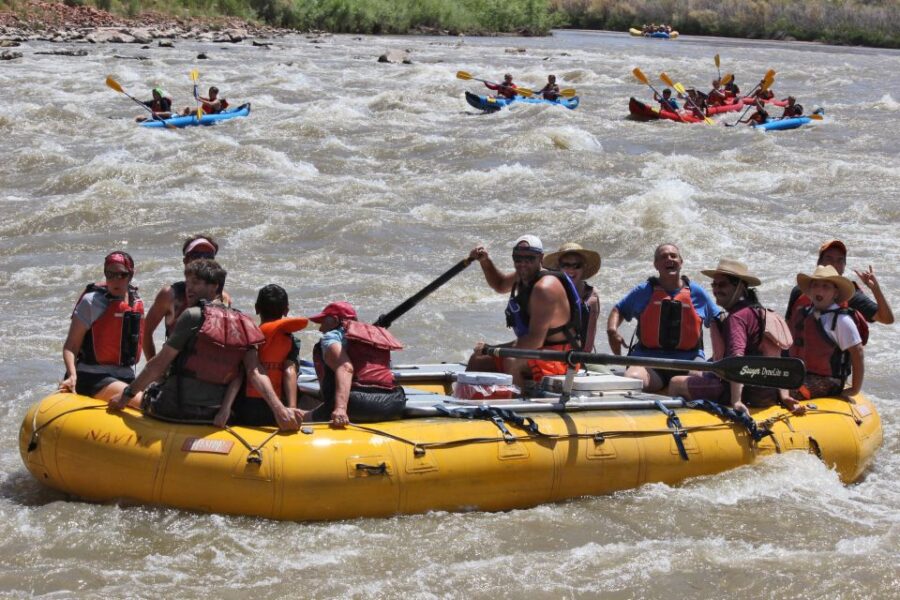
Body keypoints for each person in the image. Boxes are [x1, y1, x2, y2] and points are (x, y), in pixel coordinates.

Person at [108, 259, 304, 431]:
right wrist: (280, 410)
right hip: (213, 413)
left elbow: (159, 363)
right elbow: (255, 372)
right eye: (187, 282)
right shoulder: (245, 322)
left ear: (214, 287)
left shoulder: (192, 316)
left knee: (126, 393)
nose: (189, 288)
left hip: (174, 409)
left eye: (196, 283)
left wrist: (125, 396)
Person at [668, 259, 805, 415]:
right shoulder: (760, 312)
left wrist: (736, 401)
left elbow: (736, 360)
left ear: (740, 287)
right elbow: (776, 359)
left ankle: (678, 422)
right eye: (714, 285)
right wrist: (784, 395)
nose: (716, 290)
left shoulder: (737, 318)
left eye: (722, 285)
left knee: (675, 383)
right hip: (765, 392)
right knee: (694, 372)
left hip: (744, 392)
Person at [466, 235, 584, 388]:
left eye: (529, 258)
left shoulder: (545, 288)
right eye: (518, 258)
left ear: (540, 258)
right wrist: (485, 261)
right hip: (538, 351)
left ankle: (516, 399)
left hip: (561, 357)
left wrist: (492, 349)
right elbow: (500, 284)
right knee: (477, 359)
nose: (523, 263)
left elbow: (535, 341)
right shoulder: (523, 274)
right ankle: (465, 399)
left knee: (512, 360)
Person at [606, 243, 722, 392]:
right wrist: (612, 331)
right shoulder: (644, 291)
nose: (669, 259)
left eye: (673, 256)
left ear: (681, 262)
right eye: (663, 257)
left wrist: (719, 353)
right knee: (633, 380)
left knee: (706, 384)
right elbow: (618, 310)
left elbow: (718, 320)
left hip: (689, 362)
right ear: (656, 265)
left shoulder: (696, 292)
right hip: (648, 362)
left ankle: (676, 386)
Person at [216, 284, 308, 427]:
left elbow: (239, 374)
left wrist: (225, 409)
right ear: (286, 310)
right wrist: (291, 408)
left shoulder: (248, 336)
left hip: (246, 409)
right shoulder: (291, 340)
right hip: (277, 409)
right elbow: (289, 371)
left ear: (256, 308)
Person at [60, 251, 144, 404]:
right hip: (93, 377)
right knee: (147, 403)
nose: (115, 280)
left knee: (161, 398)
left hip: (125, 376)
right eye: (110, 274)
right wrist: (72, 375)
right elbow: (70, 346)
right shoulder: (91, 302)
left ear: (130, 275)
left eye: (122, 275)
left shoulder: (135, 302)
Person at [309, 301, 406, 426]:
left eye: (323, 321)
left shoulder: (332, 335)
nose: (320, 328)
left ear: (335, 320)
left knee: (301, 417)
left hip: (356, 403)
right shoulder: (373, 336)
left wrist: (341, 409)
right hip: (394, 403)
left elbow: (345, 367)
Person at [142, 235, 231, 360]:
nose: (202, 260)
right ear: (185, 261)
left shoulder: (223, 298)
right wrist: (154, 367)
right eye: (196, 255)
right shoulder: (170, 295)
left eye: (208, 256)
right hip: (174, 367)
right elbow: (146, 332)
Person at [787, 265, 865, 401]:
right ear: (810, 290)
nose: (819, 290)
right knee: (768, 386)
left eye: (826, 286)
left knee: (788, 392)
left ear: (836, 293)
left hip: (829, 381)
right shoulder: (805, 313)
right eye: (815, 285)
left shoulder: (841, 320)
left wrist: (854, 389)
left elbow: (858, 353)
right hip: (801, 374)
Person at [785, 239, 894, 326]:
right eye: (829, 258)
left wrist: (875, 289)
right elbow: (788, 327)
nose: (834, 264)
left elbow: (887, 319)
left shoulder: (851, 296)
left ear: (844, 266)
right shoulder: (799, 291)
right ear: (819, 262)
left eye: (840, 260)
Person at [543, 243, 601, 352]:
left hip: (580, 355)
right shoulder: (549, 292)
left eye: (577, 265)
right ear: (559, 267)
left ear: (584, 267)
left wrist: (581, 359)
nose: (571, 270)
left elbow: (589, 341)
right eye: (566, 265)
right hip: (551, 353)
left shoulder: (591, 296)